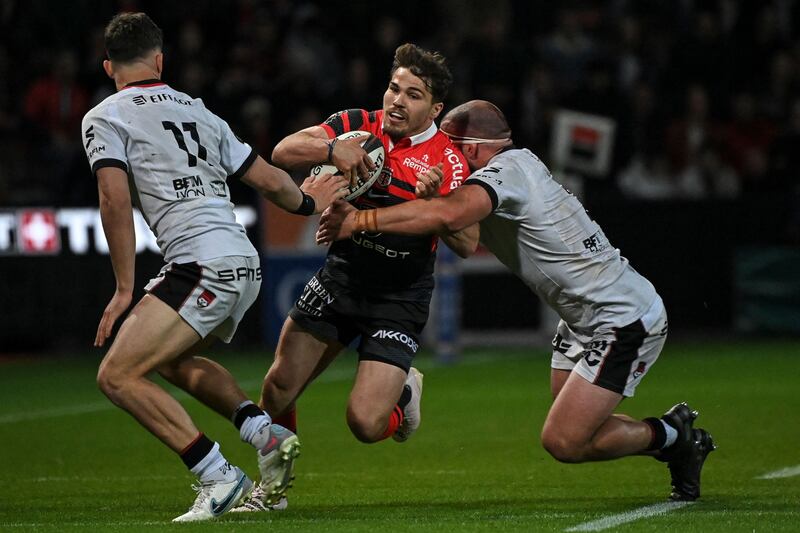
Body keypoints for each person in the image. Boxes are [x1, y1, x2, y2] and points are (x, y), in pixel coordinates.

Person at [317, 100, 716, 501]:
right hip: (581, 318)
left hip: (622, 317)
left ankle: (674, 437)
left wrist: (359, 221)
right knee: (579, 429)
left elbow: (450, 216)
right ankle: (673, 438)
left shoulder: (507, 170)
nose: (439, 155)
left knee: (564, 440)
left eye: (447, 147)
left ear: (472, 149)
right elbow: (462, 240)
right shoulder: (504, 171)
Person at [82, 13, 348, 522]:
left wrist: (123, 288)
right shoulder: (199, 110)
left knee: (116, 376)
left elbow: (112, 199)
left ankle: (217, 475)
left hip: (200, 263)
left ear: (108, 66)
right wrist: (308, 204)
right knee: (170, 361)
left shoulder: (105, 115)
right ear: (160, 60)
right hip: (241, 261)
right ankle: (264, 433)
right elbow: (268, 178)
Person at [233, 43, 477, 512]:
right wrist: (332, 148)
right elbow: (283, 151)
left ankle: (403, 395)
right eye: (394, 88)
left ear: (435, 109)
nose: (397, 101)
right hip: (343, 275)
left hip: (399, 296)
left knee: (365, 424)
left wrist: (437, 205)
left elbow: (467, 243)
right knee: (278, 387)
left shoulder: (447, 161)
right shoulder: (357, 125)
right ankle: (275, 489)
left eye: (413, 95)